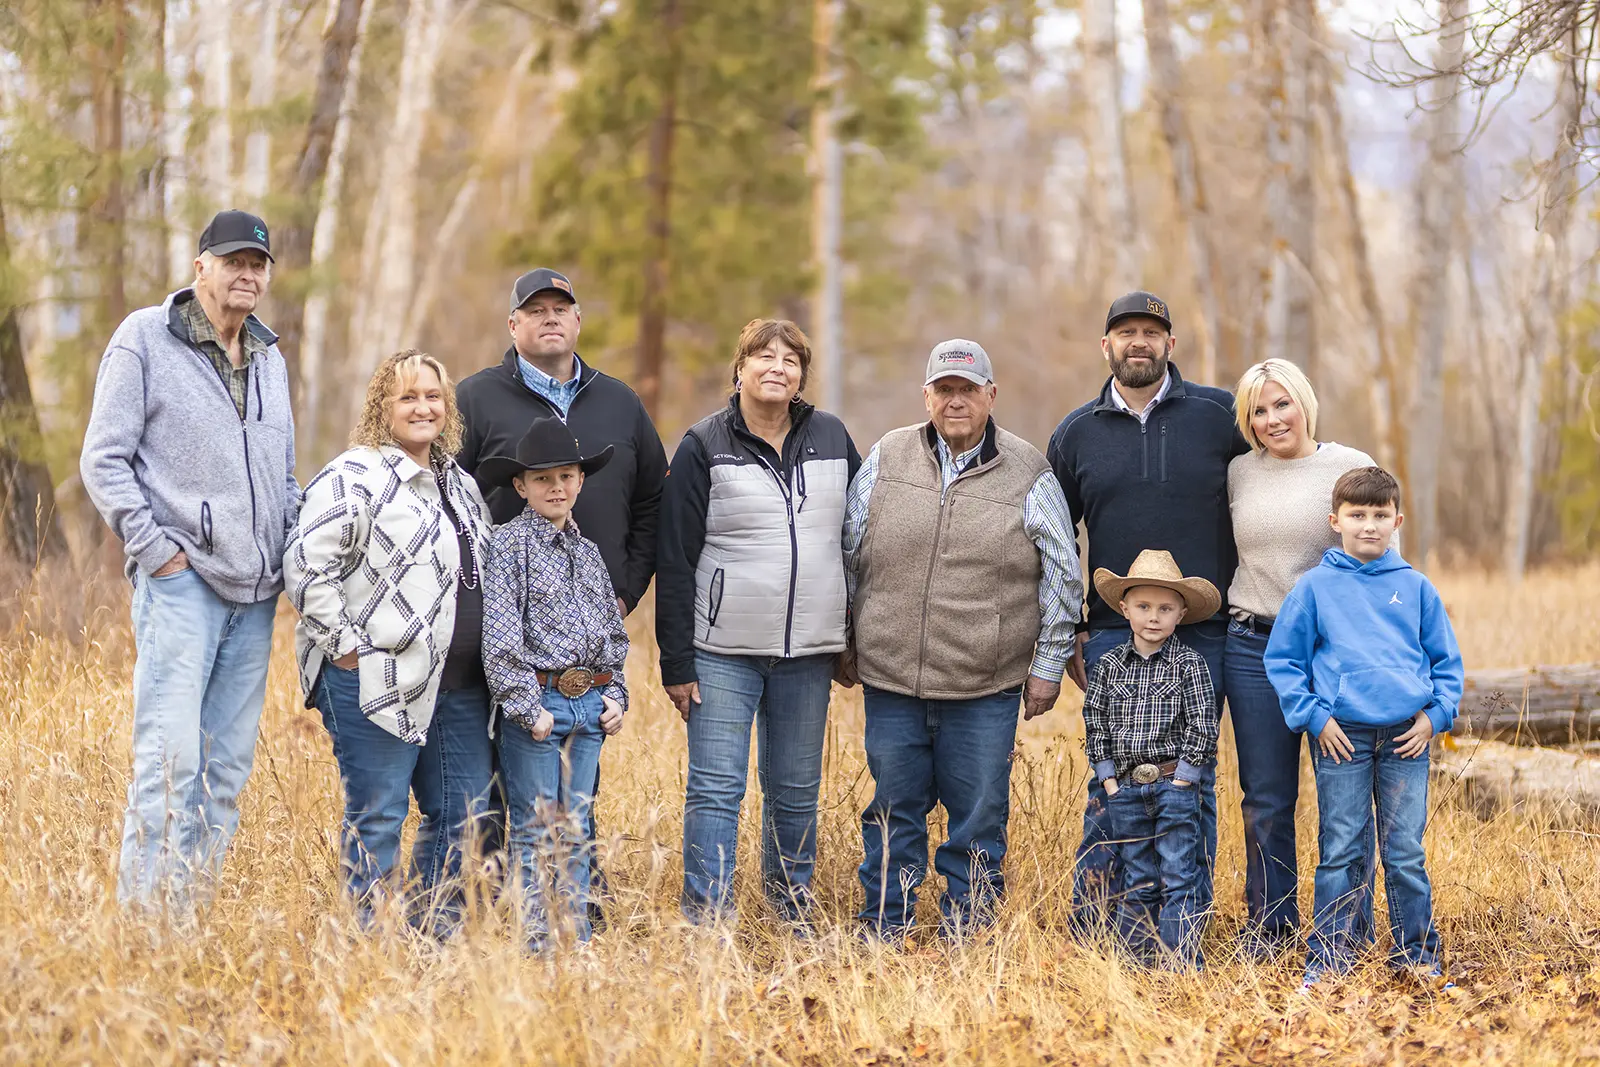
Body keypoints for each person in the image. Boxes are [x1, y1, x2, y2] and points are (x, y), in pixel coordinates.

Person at [80, 209, 298, 912]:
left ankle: (187, 927)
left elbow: (284, 476)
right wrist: (158, 553)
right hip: (183, 590)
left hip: (257, 594)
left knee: (225, 774)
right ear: (200, 266)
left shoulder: (270, 357)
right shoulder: (145, 338)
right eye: (233, 260)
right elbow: (102, 459)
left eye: (258, 264)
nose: (247, 274)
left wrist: (291, 557)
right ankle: (144, 937)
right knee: (169, 767)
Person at [845, 339, 1083, 941]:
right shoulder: (886, 456)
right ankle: (883, 928)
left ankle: (968, 934)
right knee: (893, 812)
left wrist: (1049, 665)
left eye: (968, 390)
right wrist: (845, 639)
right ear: (926, 395)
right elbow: (849, 551)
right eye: (944, 390)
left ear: (990, 396)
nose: (956, 401)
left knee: (978, 819)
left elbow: (1062, 572)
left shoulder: (1029, 470)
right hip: (892, 678)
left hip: (986, 685)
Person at [456, 268, 665, 924]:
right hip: (498, 640)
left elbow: (652, 499)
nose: (550, 318)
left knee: (575, 810)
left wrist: (623, 589)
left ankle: (575, 922)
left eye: (561, 308)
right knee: (501, 795)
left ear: (577, 322)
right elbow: (448, 505)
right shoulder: (475, 398)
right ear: (513, 325)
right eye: (534, 309)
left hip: (585, 663)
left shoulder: (620, 402)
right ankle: (507, 921)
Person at [1046, 291, 1248, 933]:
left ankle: (1185, 924)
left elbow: (1269, 496)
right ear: (1105, 346)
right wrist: (1070, 628)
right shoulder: (1076, 432)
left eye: (1152, 332)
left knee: (1194, 779)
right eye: (1125, 332)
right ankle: (1104, 925)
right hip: (1112, 634)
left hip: (1208, 631)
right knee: (1113, 780)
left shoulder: (1220, 417)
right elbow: (1053, 537)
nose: (1139, 342)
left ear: (1170, 344)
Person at [656, 318, 859, 925]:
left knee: (795, 793)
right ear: (739, 368)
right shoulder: (702, 445)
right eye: (763, 356)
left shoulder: (832, 437)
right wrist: (677, 661)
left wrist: (853, 634)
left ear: (801, 375)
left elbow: (860, 537)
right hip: (722, 650)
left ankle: (789, 914)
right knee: (716, 790)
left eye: (790, 359)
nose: (777, 367)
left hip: (809, 652)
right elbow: (676, 555)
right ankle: (706, 920)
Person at [284, 350, 495, 933]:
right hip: (374, 680)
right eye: (408, 397)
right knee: (377, 817)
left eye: (433, 396)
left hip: (458, 686)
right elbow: (305, 563)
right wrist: (347, 649)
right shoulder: (356, 476)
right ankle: (371, 950)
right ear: (383, 407)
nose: (423, 407)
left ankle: (436, 941)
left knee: (462, 815)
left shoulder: (462, 485)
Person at [1265, 466, 1463, 989]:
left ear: (1398, 520)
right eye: (1358, 515)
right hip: (1341, 738)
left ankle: (1417, 957)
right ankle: (1329, 961)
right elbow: (1283, 660)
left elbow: (1447, 665)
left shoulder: (1416, 588)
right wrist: (1315, 716)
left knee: (1405, 853)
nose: (1369, 525)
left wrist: (1434, 718)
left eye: (1380, 515)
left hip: (1407, 736)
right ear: (1336, 521)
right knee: (1343, 848)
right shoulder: (1315, 588)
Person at [1225, 358, 1379, 952]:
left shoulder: (1349, 466)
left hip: (1331, 653)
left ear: (1304, 402)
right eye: (1258, 411)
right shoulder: (1239, 473)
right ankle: (1272, 928)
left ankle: (1347, 928)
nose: (1272, 419)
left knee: (1343, 796)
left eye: (1281, 404)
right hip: (1252, 647)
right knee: (1266, 798)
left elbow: (1379, 561)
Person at [479, 418, 628, 949]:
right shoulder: (508, 546)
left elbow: (613, 633)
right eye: (543, 479)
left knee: (578, 829)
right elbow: (499, 634)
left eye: (566, 476)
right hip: (539, 705)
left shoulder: (588, 555)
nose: (556, 488)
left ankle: (577, 940)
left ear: (581, 482)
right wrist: (525, 705)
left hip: (588, 704)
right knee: (535, 827)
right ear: (521, 486)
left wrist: (615, 695)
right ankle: (538, 945)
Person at [1083, 551, 1221, 971]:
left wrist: (1185, 778)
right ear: (1124, 609)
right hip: (1124, 788)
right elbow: (1095, 722)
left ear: (1181, 614)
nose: (1154, 617)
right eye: (1143, 607)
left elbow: (1204, 722)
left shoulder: (1189, 665)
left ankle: (1181, 965)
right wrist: (1108, 780)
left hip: (1173, 786)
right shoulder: (1107, 667)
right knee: (1137, 876)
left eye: (1165, 608)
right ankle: (1137, 966)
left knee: (1179, 875)